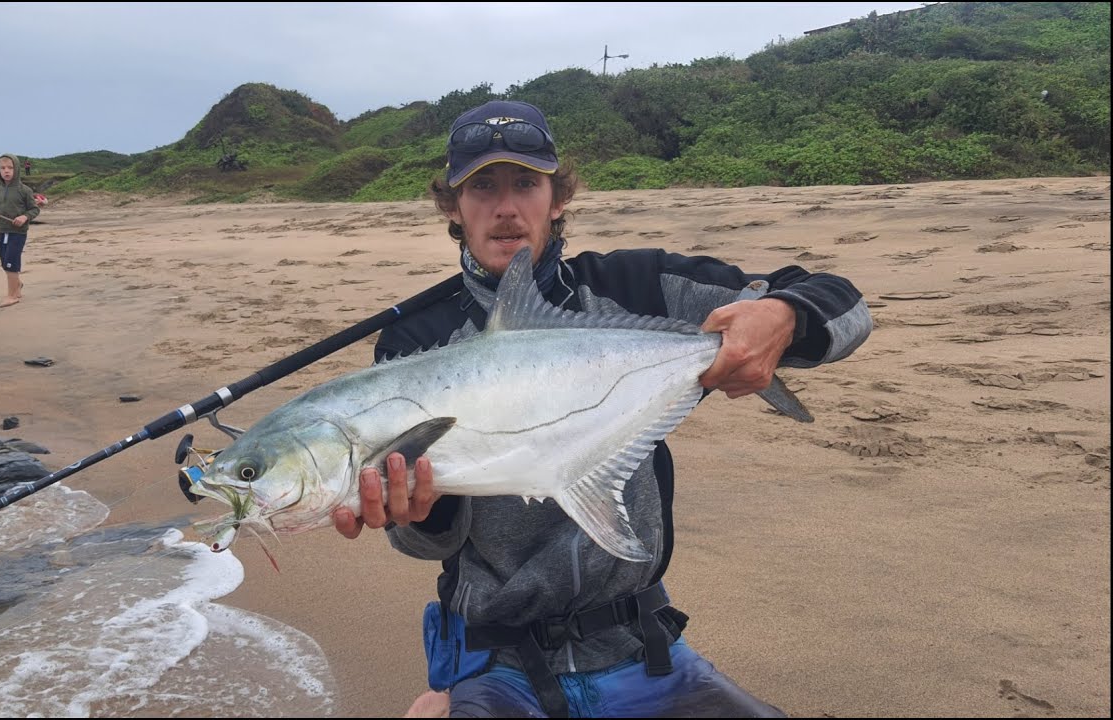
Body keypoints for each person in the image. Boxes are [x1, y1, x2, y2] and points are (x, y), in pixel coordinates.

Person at [332, 100, 872, 718]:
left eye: (525, 183)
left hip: (645, 649)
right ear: (454, 206)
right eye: (482, 186)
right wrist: (417, 517)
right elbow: (429, 541)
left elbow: (844, 303)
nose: (506, 207)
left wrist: (783, 317)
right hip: (495, 661)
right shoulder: (414, 343)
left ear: (556, 198)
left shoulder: (635, 286)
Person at [0, 153, 40, 308]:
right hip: (2, 231)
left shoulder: (25, 190)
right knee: (4, 261)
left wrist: (24, 217)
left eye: (10, 167)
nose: (6, 171)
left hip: (18, 232)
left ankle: (12, 296)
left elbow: (34, 210)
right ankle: (17, 285)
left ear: (16, 169)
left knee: (11, 262)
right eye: (2, 168)